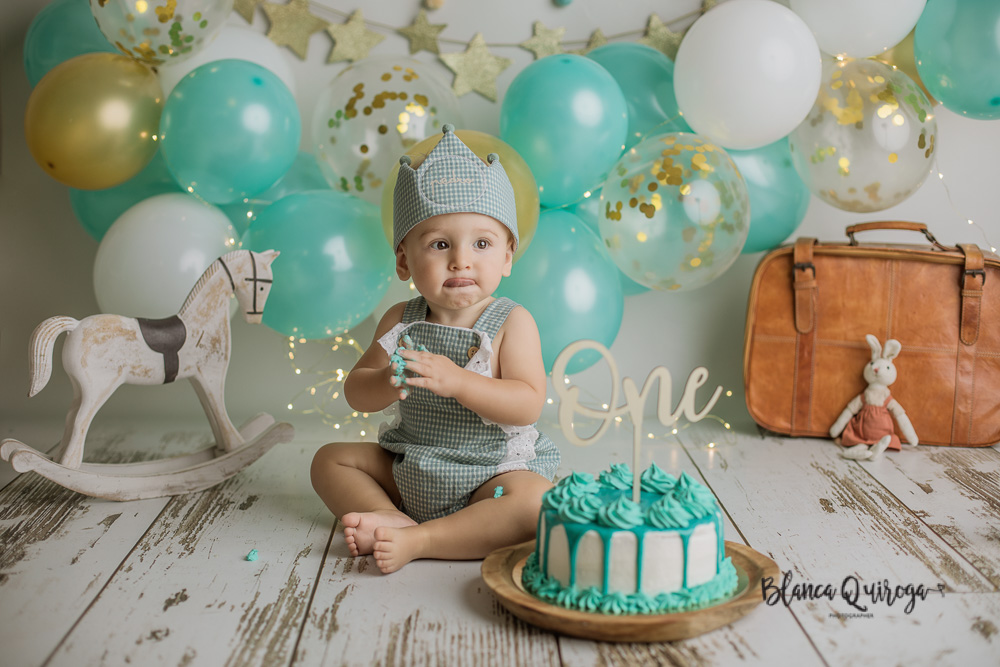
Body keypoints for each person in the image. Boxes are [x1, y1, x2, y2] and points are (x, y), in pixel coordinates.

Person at [310, 125, 560, 574]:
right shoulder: (400, 320)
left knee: (535, 504)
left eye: (482, 243)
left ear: (507, 257)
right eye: (440, 244)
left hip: (490, 475)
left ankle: (420, 539)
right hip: (412, 463)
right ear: (405, 260)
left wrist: (461, 381)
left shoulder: (510, 322)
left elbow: (527, 403)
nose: (461, 259)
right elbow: (356, 393)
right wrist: (387, 381)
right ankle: (389, 513)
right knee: (330, 460)